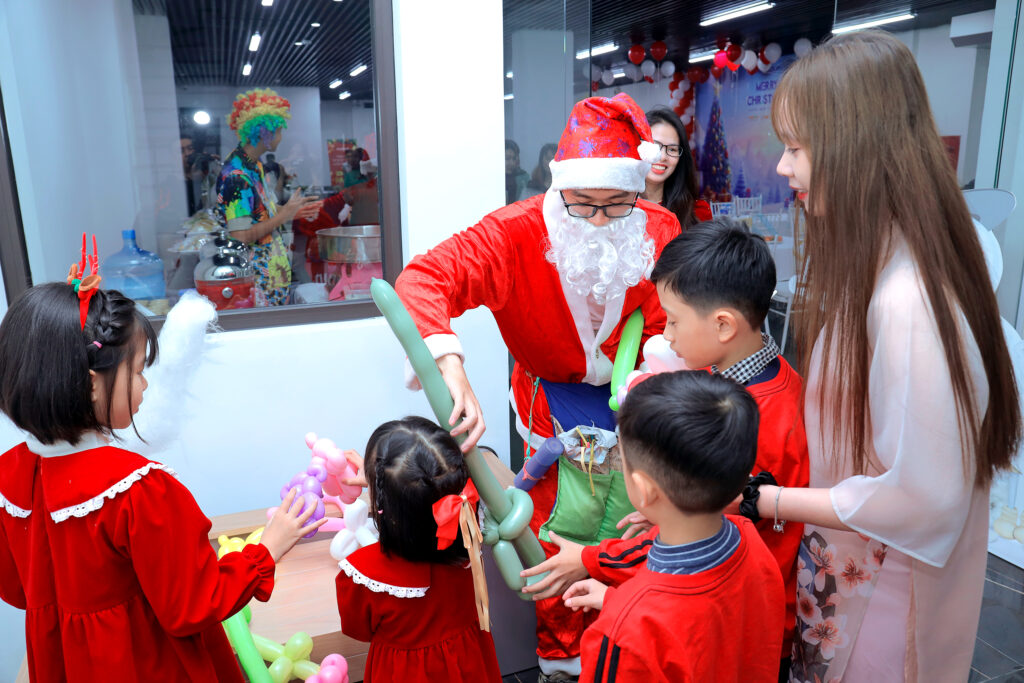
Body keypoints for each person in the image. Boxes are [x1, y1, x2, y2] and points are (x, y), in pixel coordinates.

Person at [743, 30, 1020, 682]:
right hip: (868, 575)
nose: (784, 168)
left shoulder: (907, 302)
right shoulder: (893, 265)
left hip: (883, 599)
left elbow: (920, 497)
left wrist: (769, 499)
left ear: (855, 149)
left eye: (797, 147)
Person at [396, 93, 679, 680]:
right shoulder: (513, 232)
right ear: (559, 189)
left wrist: (652, 375)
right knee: (551, 531)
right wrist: (450, 363)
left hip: (638, 396)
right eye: (583, 205)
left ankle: (625, 639)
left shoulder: (658, 226)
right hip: (549, 400)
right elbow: (423, 278)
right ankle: (561, 658)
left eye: (617, 204)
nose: (600, 219)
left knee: (634, 522)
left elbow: (665, 314)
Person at [0, 273, 324, 681]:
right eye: (136, 372)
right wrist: (268, 549)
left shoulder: (9, 475)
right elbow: (193, 605)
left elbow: (16, 589)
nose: (145, 384)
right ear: (92, 385)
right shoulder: (140, 490)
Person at [524, 217, 809, 680]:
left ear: (723, 325)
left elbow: (707, 557)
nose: (666, 336)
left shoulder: (756, 423)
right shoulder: (756, 387)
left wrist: (595, 562)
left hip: (730, 622)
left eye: (673, 321)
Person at [561, 371, 784, 681]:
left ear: (644, 488)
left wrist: (623, 611)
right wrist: (618, 602)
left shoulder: (622, 633)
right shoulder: (753, 544)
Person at [335, 416, 501, 682]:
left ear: (387, 507)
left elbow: (358, 630)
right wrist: (390, 489)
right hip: (467, 662)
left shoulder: (361, 573)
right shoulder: (470, 529)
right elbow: (427, 498)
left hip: (402, 673)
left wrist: (386, 489)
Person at [216, 88, 319, 306]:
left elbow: (261, 214)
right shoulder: (237, 176)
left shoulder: (255, 166)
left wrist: (291, 211)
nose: (281, 137)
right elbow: (241, 235)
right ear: (264, 131)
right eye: (279, 130)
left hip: (272, 275)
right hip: (256, 283)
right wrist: (283, 217)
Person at [642, 108, 711, 229]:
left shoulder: (697, 212)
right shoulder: (614, 207)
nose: (662, 156)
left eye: (672, 149)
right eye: (655, 146)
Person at [504, 139, 529, 204]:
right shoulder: (493, 176)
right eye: (507, 158)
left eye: (514, 158)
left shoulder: (523, 177)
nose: (511, 163)